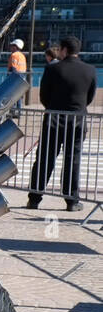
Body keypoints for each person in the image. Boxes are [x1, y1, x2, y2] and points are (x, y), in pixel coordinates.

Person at [28, 36, 97, 212]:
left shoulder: (53, 69)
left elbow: (44, 95)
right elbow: (89, 97)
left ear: (64, 50)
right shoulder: (90, 70)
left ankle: (35, 198)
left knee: (45, 158)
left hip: (54, 119)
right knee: (72, 160)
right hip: (77, 120)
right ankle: (71, 200)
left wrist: (53, 107)